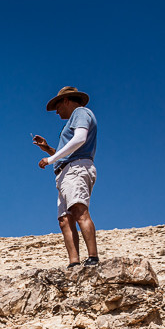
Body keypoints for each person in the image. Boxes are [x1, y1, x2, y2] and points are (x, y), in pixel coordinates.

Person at [32, 86, 98, 268]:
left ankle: (93, 258)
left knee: (78, 210)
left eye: (57, 107)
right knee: (64, 219)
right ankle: (74, 262)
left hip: (75, 169)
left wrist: (50, 158)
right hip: (66, 171)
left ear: (66, 100)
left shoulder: (80, 112)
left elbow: (80, 139)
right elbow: (68, 151)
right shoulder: (73, 119)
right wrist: (48, 150)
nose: (57, 112)